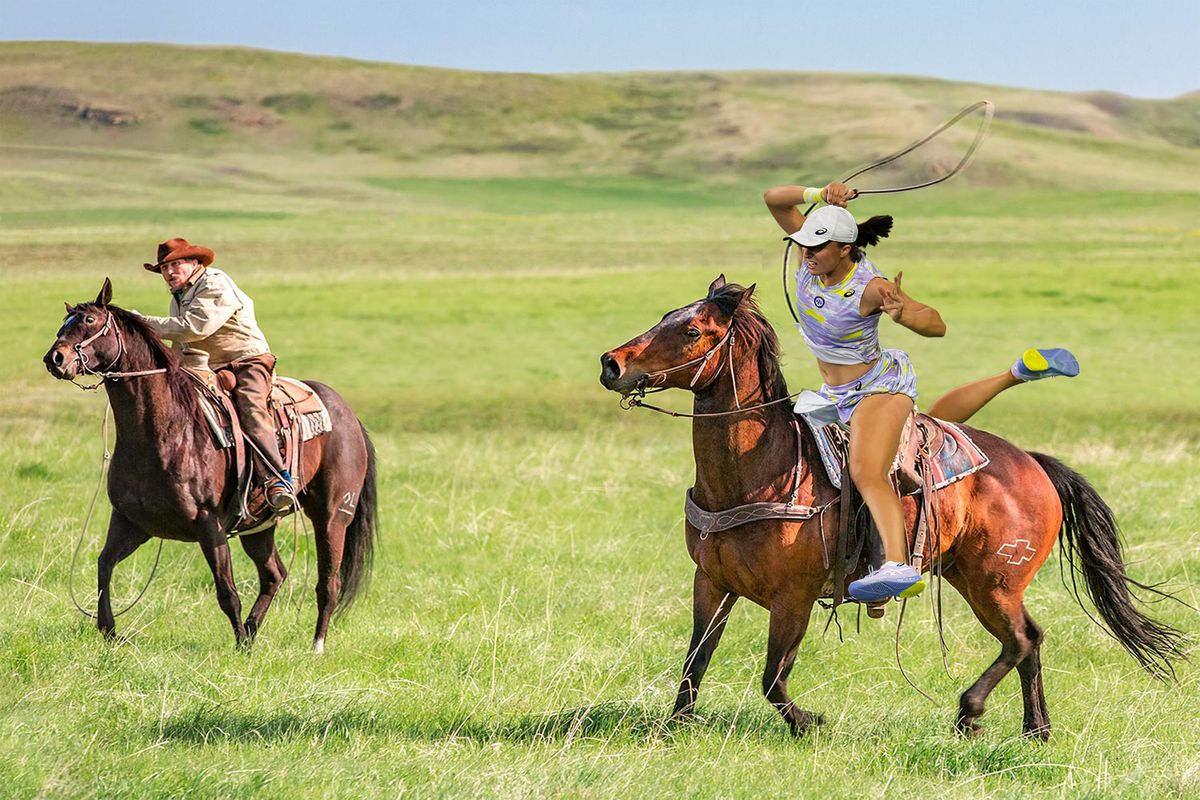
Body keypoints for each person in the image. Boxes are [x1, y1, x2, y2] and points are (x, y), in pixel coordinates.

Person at [764, 184, 1078, 602]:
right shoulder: (811, 261)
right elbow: (774, 198)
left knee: (867, 471)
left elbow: (936, 324)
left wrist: (903, 313)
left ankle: (897, 566)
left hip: (878, 389)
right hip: (833, 393)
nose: (807, 252)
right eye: (804, 244)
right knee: (938, 423)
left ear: (844, 249)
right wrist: (819, 192)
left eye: (818, 247)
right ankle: (1018, 372)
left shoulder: (870, 287)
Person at [138, 238, 295, 512]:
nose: (170, 272)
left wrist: (141, 323)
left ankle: (278, 478)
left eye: (176, 265)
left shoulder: (214, 283)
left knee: (251, 408)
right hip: (208, 366)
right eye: (165, 268)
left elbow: (194, 329)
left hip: (246, 360)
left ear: (195, 263)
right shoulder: (179, 297)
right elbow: (181, 346)